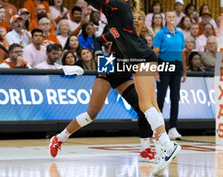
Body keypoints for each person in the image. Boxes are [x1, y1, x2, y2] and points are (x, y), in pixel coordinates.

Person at [52, 0, 181, 175]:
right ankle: (163, 147)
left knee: (146, 105)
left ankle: (163, 145)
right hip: (117, 65)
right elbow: (95, 10)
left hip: (138, 60)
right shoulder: (112, 20)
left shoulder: (121, 6)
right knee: (145, 105)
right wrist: (99, 56)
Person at [50, 12, 157, 163]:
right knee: (91, 114)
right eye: (133, 18)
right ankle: (59, 138)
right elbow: (98, 41)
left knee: (142, 109)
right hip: (108, 72)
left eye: (140, 19)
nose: (136, 21)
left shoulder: (142, 43)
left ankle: (145, 149)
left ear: (143, 23)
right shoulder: (119, 32)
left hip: (124, 77)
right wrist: (100, 55)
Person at [153, 10, 187, 140]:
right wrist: (155, 71)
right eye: (169, 17)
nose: (172, 18)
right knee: (160, 98)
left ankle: (173, 128)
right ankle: (157, 128)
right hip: (163, 66)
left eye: (173, 16)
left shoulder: (180, 34)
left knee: (175, 98)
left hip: (177, 67)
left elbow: (182, 53)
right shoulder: (160, 34)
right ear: (165, 19)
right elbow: (155, 53)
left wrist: (184, 71)